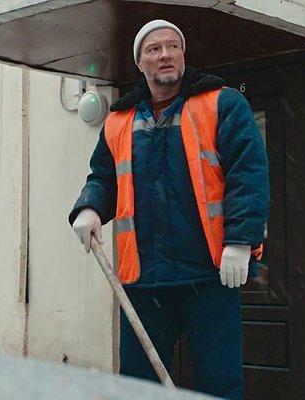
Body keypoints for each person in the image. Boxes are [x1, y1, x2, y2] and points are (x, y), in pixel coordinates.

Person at [68, 20, 269, 399]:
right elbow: (104, 177)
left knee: (218, 384)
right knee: (138, 386)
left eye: (173, 46)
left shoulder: (221, 104)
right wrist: (90, 207)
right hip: (144, 280)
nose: (165, 55)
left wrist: (240, 240)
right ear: (139, 63)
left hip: (208, 276)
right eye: (154, 49)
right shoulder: (118, 121)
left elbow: (248, 172)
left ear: (183, 54)